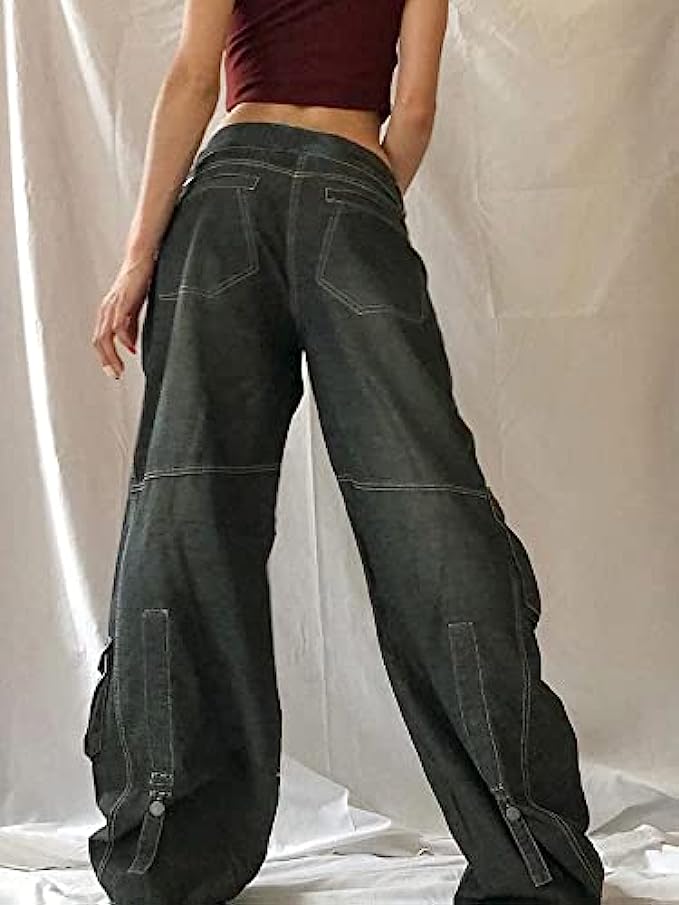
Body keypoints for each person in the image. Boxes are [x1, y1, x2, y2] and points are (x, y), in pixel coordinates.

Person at [86, 1, 605, 904]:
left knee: (185, 509)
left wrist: (137, 260)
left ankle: (164, 855)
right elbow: (416, 109)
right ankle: (530, 860)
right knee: (431, 510)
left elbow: (193, 78)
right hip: (351, 178)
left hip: (225, 194)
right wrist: (357, 201)